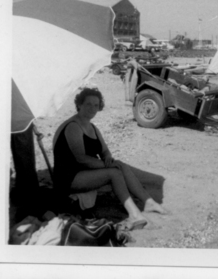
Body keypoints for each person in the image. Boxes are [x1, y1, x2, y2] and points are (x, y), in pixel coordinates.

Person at [53, 87, 166, 230]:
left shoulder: (92, 127)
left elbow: (105, 151)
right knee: (114, 172)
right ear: (79, 105)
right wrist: (106, 165)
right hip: (68, 177)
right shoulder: (73, 126)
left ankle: (148, 201)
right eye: (88, 104)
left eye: (96, 105)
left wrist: (108, 158)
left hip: (84, 173)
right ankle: (135, 215)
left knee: (120, 165)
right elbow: (81, 159)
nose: (93, 108)